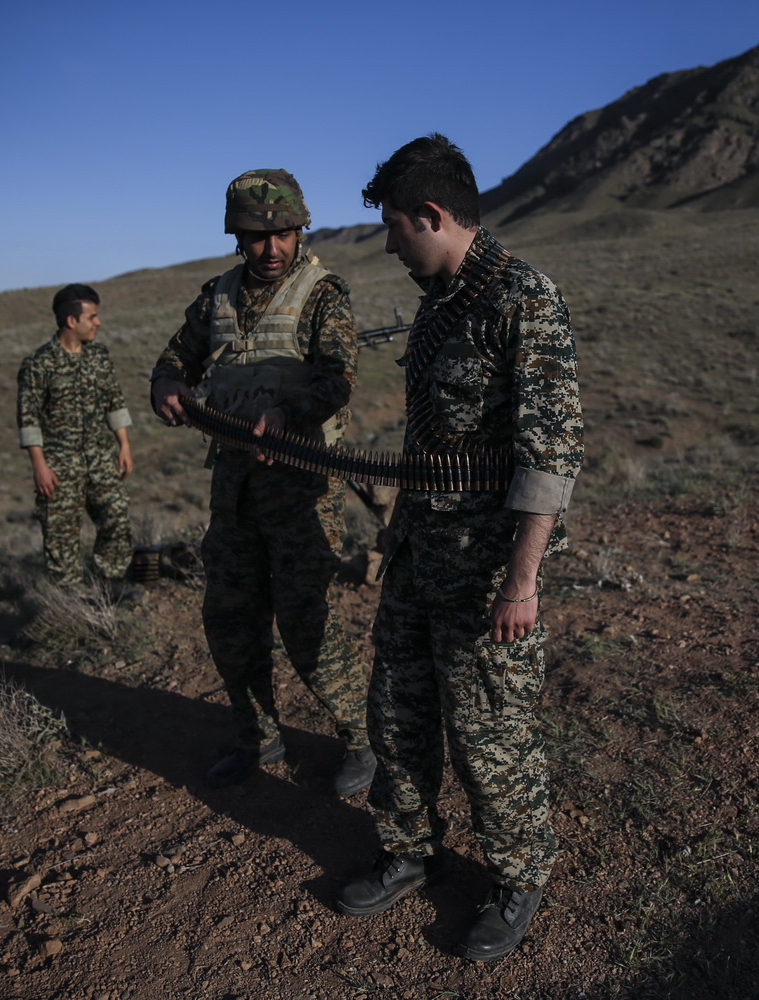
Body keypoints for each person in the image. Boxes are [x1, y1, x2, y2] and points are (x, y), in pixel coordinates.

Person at [334, 135, 583, 962]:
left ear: (433, 217)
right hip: (418, 554)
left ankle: (518, 876)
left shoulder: (524, 298)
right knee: (396, 714)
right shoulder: (440, 304)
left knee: (491, 735)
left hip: (485, 572)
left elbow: (551, 456)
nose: (392, 244)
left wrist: (522, 581)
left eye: (397, 228)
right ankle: (410, 850)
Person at [150, 169, 374, 796]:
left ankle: (361, 738)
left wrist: (289, 415)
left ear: (301, 229)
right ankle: (257, 734)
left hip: (303, 489)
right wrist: (165, 384)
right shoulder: (216, 295)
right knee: (230, 616)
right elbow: (175, 358)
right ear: (237, 238)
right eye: (256, 237)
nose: (271, 248)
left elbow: (337, 378)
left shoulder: (324, 292)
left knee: (308, 621)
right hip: (234, 487)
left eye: (283, 234)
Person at [17, 283, 135, 589]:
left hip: (100, 457)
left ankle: (109, 586)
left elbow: (115, 400)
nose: (99, 322)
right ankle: (70, 604)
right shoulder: (38, 364)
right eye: (92, 317)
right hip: (59, 465)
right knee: (61, 535)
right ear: (72, 321)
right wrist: (39, 466)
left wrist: (123, 445)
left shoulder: (99, 355)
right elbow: (28, 419)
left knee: (117, 518)